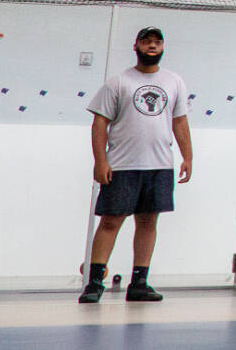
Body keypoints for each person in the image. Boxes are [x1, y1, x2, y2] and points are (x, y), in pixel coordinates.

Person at [80, 28, 191, 305]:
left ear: (162, 47)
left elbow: (179, 121)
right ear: (136, 46)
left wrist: (188, 156)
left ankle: (139, 283)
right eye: (146, 42)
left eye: (157, 42)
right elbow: (100, 123)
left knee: (148, 221)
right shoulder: (118, 82)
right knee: (111, 221)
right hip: (122, 165)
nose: (152, 46)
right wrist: (100, 160)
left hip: (159, 165)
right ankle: (94, 283)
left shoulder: (174, 81)